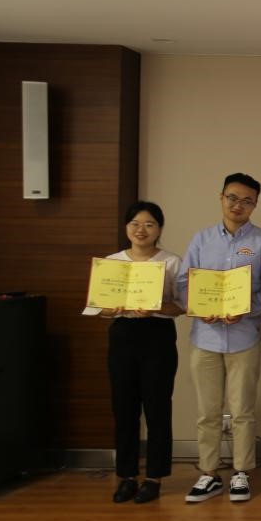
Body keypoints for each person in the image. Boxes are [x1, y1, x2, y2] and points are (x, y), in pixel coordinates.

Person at [177, 172, 261, 503]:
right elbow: (184, 283)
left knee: (242, 411)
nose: (238, 205)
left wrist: (246, 308)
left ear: (255, 205)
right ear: (221, 197)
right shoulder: (202, 239)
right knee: (207, 412)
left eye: (247, 200)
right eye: (232, 198)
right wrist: (198, 306)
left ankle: (240, 473)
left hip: (244, 337)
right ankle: (208, 474)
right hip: (205, 338)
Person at [84, 201, 183, 504]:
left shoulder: (171, 261)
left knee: (157, 408)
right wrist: (110, 309)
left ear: (159, 229)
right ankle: (126, 476)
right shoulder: (111, 263)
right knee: (124, 408)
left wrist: (156, 306)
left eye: (149, 224)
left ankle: (154, 478)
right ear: (127, 227)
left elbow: (181, 306)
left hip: (157, 335)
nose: (141, 230)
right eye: (135, 224)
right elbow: (98, 307)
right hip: (123, 335)